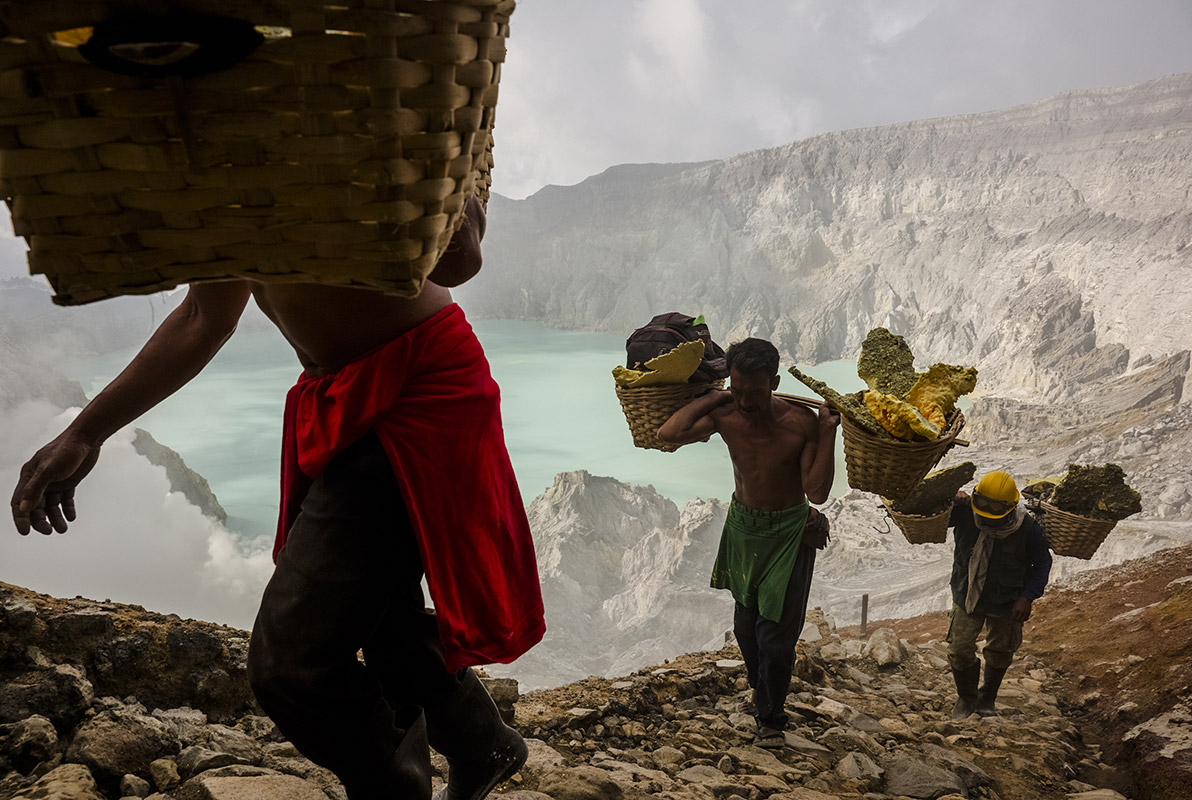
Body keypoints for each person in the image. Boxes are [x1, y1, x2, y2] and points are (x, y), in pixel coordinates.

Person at [9, 196, 545, 800]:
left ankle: (398, 786)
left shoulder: (351, 136)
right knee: (378, 609)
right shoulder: (231, 171)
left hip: (419, 393)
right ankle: (482, 741)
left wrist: (448, 198)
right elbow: (202, 319)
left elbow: (457, 266)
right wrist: (85, 431)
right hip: (338, 395)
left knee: (290, 665)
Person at [658, 337, 840, 748]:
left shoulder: (800, 422)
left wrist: (828, 432)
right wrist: (715, 397)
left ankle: (772, 719)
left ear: (774, 382)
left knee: (775, 638)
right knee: (745, 628)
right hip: (743, 528)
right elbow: (669, 432)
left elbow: (817, 491)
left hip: (789, 536)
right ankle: (763, 694)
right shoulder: (727, 414)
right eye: (737, 390)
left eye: (754, 393)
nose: (744, 402)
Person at [946, 469, 1052, 719]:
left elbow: (1041, 563)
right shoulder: (963, 513)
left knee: (1001, 650)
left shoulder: (1027, 528)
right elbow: (929, 512)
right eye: (983, 506)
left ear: (1010, 507)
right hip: (967, 594)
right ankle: (966, 698)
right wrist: (949, 498)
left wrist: (1027, 596)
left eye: (995, 510)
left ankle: (987, 699)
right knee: (959, 648)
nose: (989, 517)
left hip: (1008, 599)